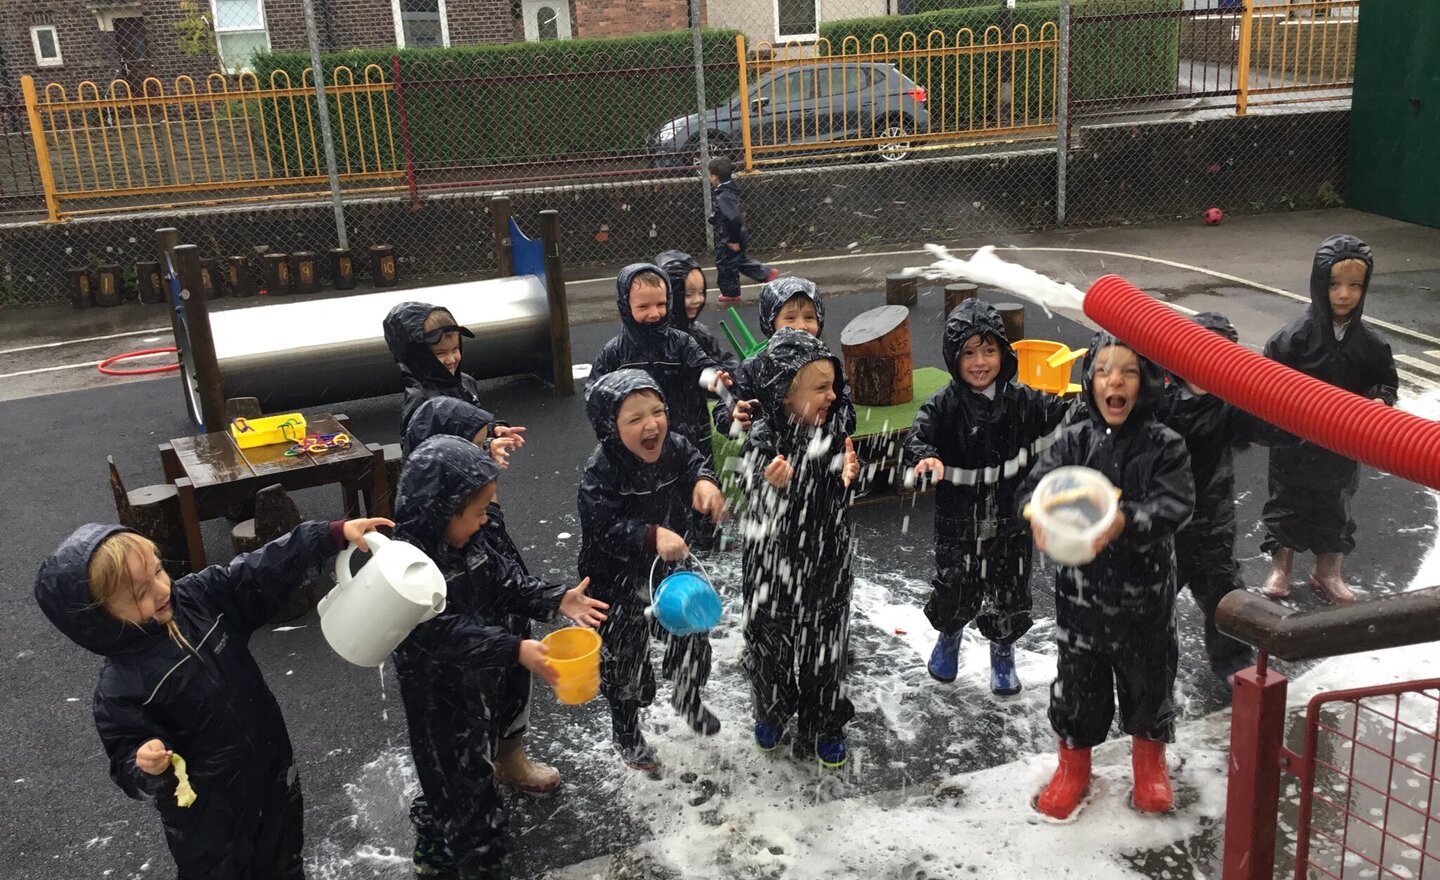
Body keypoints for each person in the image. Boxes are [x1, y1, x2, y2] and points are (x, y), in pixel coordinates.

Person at [35, 515, 392, 879]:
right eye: (140, 593)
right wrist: (142, 764)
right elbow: (124, 756)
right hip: (208, 820)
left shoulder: (199, 599)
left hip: (270, 776)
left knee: (283, 859)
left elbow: (257, 570)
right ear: (101, 619)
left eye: (159, 571)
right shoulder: (121, 688)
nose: (160, 589)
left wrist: (327, 536)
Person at [392, 436, 607, 880]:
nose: (486, 519)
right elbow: (439, 633)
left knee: (475, 775)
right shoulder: (405, 572)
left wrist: (557, 599)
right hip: (442, 706)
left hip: (479, 692)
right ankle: (463, 855)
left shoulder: (468, 545)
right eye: (478, 512)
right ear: (443, 512)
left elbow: (506, 583)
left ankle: (462, 839)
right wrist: (514, 648)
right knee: (464, 797)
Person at [1017, 333, 1194, 820]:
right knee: (1078, 687)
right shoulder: (1074, 438)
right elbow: (1036, 487)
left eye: (1128, 372)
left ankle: (1148, 764)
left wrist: (1127, 520)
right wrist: (1034, 513)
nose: (1114, 381)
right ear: (1090, 380)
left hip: (1145, 598)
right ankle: (1072, 768)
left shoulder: (1165, 444)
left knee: (1148, 683)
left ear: (1147, 383)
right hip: (1081, 598)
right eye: (1102, 371)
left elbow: (1176, 505)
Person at [904, 300, 1072, 694]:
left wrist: (1091, 411)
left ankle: (1002, 652)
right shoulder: (944, 404)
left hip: (1012, 522)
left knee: (1011, 594)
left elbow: (1062, 413)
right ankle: (949, 638)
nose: (980, 362)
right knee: (954, 588)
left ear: (1004, 353)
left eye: (989, 350)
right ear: (954, 357)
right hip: (958, 524)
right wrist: (924, 456)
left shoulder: (1022, 400)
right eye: (969, 353)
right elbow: (918, 435)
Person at [401, 397, 555, 795]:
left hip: (501, 617)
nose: (487, 451)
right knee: (460, 752)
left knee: (508, 691)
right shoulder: (419, 560)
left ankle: (509, 759)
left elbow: (501, 570)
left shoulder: (469, 518)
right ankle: (462, 811)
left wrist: (553, 598)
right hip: (469, 647)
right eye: (477, 447)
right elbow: (441, 634)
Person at [578, 369, 728, 771]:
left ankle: (687, 693)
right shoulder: (601, 471)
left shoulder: (675, 447)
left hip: (667, 570)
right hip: (613, 580)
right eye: (635, 419)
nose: (652, 425)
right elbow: (601, 528)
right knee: (625, 663)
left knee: (692, 632)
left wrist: (704, 482)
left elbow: (698, 462)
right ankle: (626, 728)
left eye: (658, 411)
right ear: (611, 428)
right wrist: (650, 534)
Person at [739, 328, 861, 767]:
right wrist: (764, 481)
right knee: (769, 654)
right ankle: (771, 714)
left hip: (826, 568)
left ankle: (826, 724)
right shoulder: (764, 436)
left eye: (833, 386)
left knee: (825, 658)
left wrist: (847, 473)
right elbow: (747, 482)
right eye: (821, 388)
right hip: (771, 573)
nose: (832, 396)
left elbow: (839, 486)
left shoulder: (832, 430)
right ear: (787, 396)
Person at [1260, 234, 1398, 604]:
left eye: (1355, 286)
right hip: (1295, 443)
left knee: (1336, 504)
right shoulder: (1294, 339)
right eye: (1334, 284)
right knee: (1286, 500)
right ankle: (1281, 566)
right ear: (1319, 284)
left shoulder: (1370, 344)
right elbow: (1265, 380)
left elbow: (1385, 381)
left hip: (1341, 444)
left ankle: (1328, 570)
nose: (1344, 294)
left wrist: (1380, 401)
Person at [1157, 311, 1264, 685]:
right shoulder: (1159, 401)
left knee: (1224, 594)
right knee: (1152, 599)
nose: (1204, 371)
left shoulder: (1229, 407)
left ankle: (1233, 659)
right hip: (1163, 526)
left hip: (1212, 525)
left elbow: (1268, 427)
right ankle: (1149, 666)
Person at [587, 263, 728, 457]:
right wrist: (615, 428)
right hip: (637, 442)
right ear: (625, 306)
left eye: (661, 304)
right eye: (643, 306)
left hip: (690, 438)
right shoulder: (615, 352)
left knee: (696, 481)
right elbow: (594, 394)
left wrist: (714, 380)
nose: (654, 314)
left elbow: (702, 369)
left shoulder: (681, 343)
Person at [713, 276, 855, 439]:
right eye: (790, 318)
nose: (801, 325)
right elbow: (723, 411)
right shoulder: (755, 366)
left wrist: (820, 420)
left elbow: (847, 415)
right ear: (770, 322)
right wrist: (734, 416)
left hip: (819, 451)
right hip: (771, 453)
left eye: (809, 317)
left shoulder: (825, 365)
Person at [382, 300, 528, 444]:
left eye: (455, 349)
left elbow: (470, 423)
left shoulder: (465, 382)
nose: (451, 359)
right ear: (420, 356)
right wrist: (485, 448)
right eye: (440, 353)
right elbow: (427, 454)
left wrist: (492, 430)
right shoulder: (422, 401)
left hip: (472, 463)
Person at [657, 249, 741, 374]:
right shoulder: (657, 340)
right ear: (669, 295)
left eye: (701, 292)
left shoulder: (698, 333)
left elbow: (722, 360)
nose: (697, 300)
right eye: (688, 294)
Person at [709, 155, 778, 304]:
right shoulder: (729, 190)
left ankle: (732, 292)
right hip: (736, 233)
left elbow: (732, 217)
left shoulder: (724, 195)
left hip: (731, 235)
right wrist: (716, 217)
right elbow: (728, 213)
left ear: (714, 177)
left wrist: (732, 240)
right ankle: (763, 273)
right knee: (735, 260)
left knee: (725, 263)